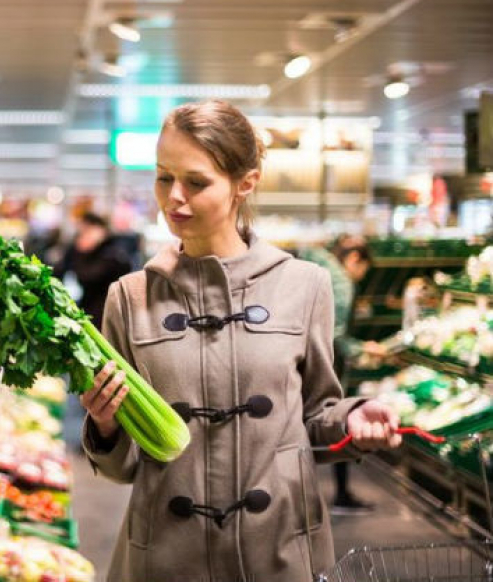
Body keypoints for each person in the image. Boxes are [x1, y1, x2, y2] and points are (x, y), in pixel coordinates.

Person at [78, 100, 402, 582]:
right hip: (165, 556)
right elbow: (125, 465)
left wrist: (353, 417)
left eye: (196, 181)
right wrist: (104, 426)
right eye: (164, 177)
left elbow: (313, 417)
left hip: (277, 551)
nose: (174, 198)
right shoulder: (129, 298)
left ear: (244, 184)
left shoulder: (305, 286)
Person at [299, 241, 387, 514]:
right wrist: (364, 348)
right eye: (364, 269)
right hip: (322, 367)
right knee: (336, 421)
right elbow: (334, 337)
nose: (361, 276)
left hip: (296, 363)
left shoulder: (310, 263)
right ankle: (340, 496)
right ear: (355, 259)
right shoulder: (340, 282)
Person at [55, 212, 131, 328]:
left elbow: (90, 276)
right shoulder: (79, 249)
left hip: (109, 313)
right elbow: (59, 271)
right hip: (87, 309)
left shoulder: (114, 252)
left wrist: (82, 252)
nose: (83, 235)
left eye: (88, 230)